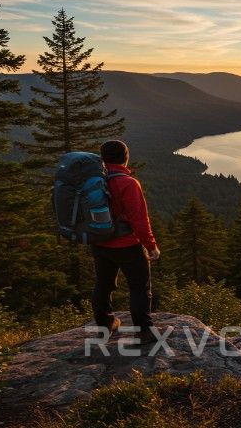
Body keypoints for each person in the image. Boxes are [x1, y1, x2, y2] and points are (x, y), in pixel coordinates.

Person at [92, 139, 160, 343]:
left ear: (103, 158)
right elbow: (139, 219)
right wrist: (151, 246)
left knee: (103, 285)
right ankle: (144, 331)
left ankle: (106, 325)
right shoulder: (128, 183)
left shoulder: (95, 181)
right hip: (128, 245)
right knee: (139, 287)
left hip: (99, 243)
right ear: (125, 157)